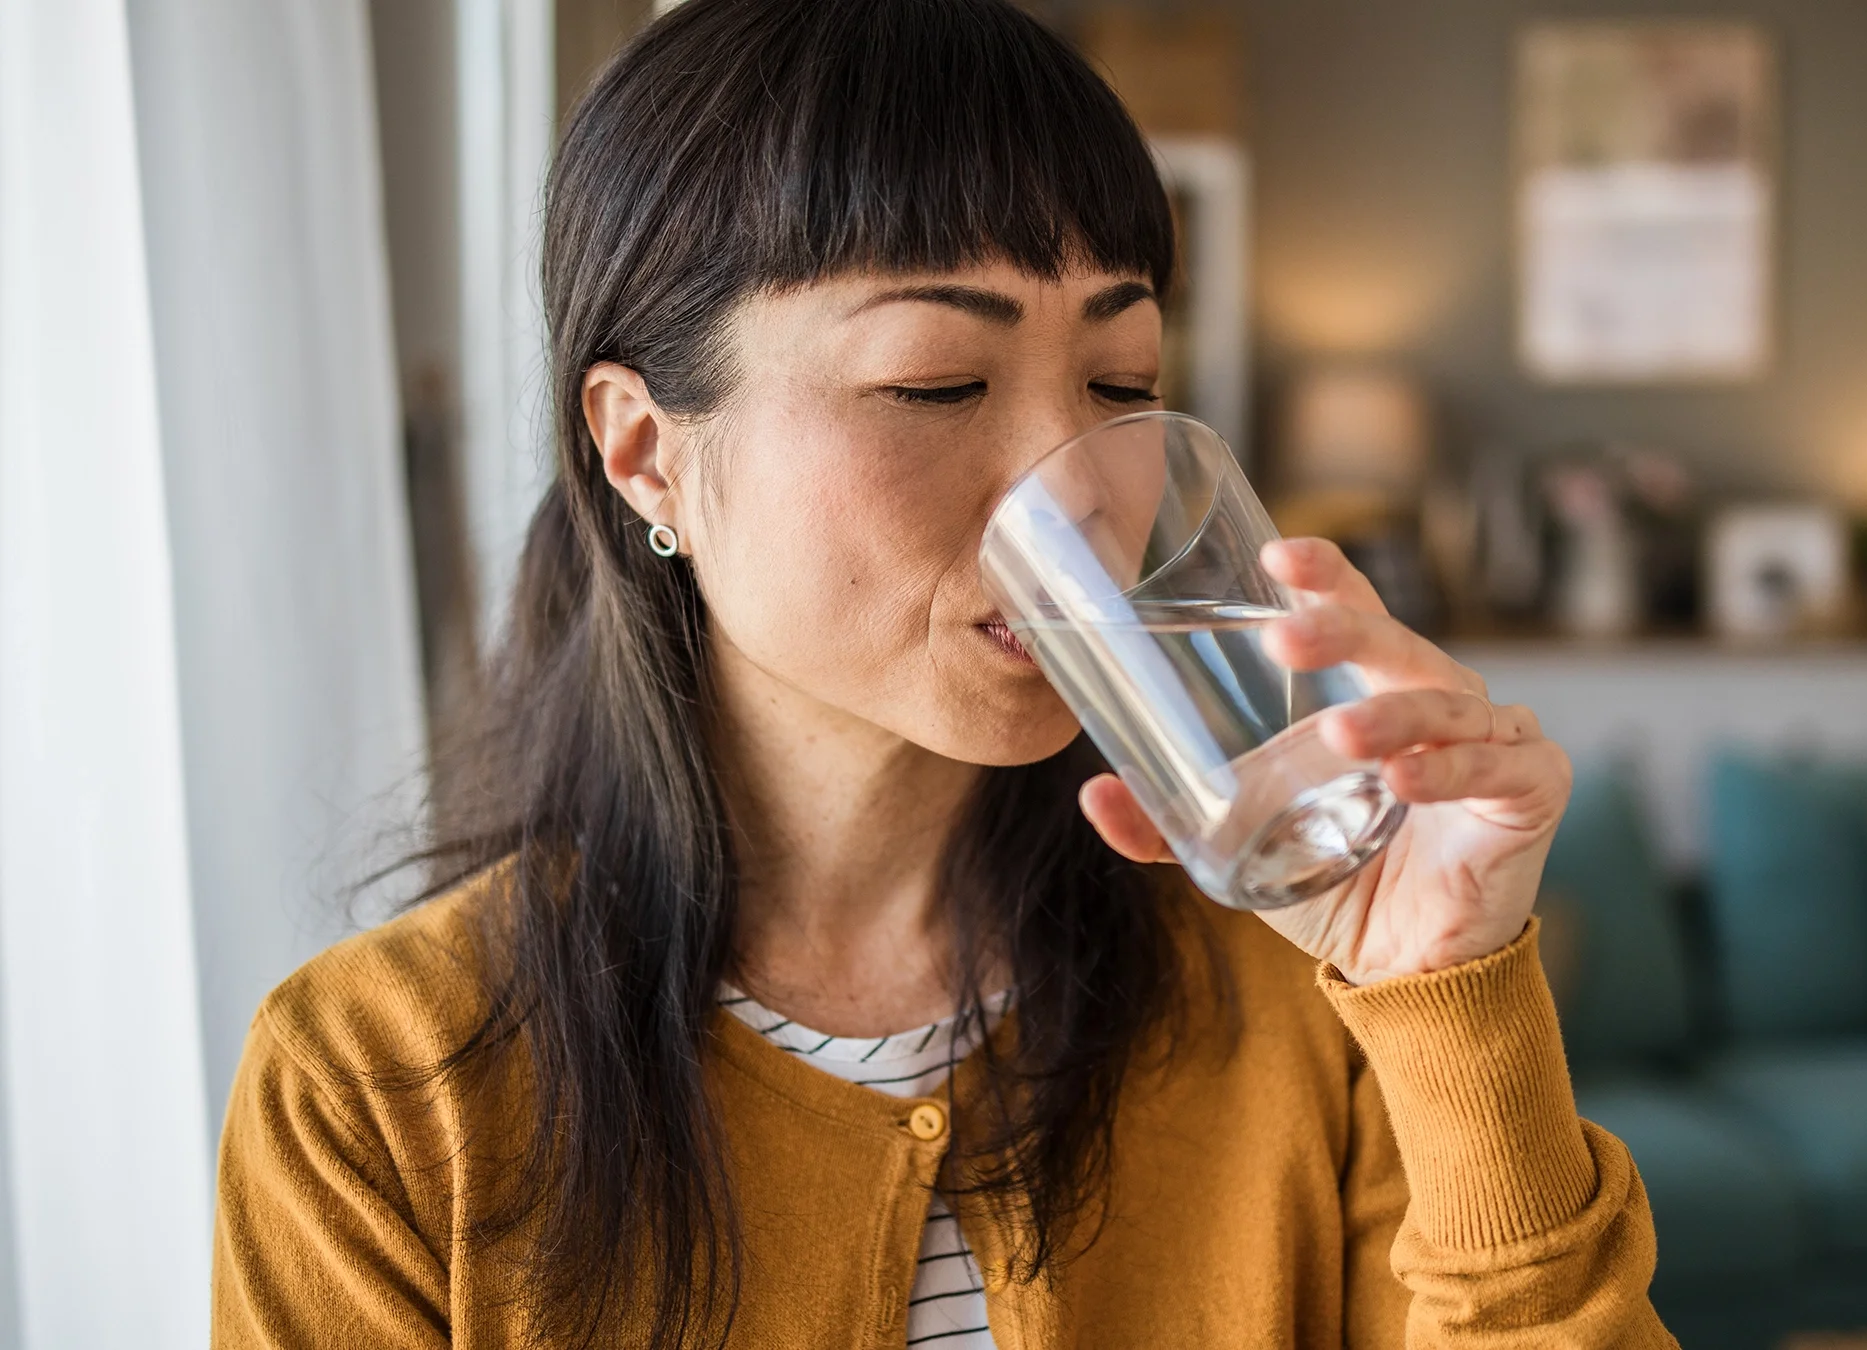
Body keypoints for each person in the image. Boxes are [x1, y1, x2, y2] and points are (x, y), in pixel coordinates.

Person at [211, 0, 1673, 1345]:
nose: (1079, 488)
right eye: (935, 384)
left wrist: (1445, 990)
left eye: (1121, 384)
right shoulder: (383, 1089)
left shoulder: (1301, 996)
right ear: (646, 447)